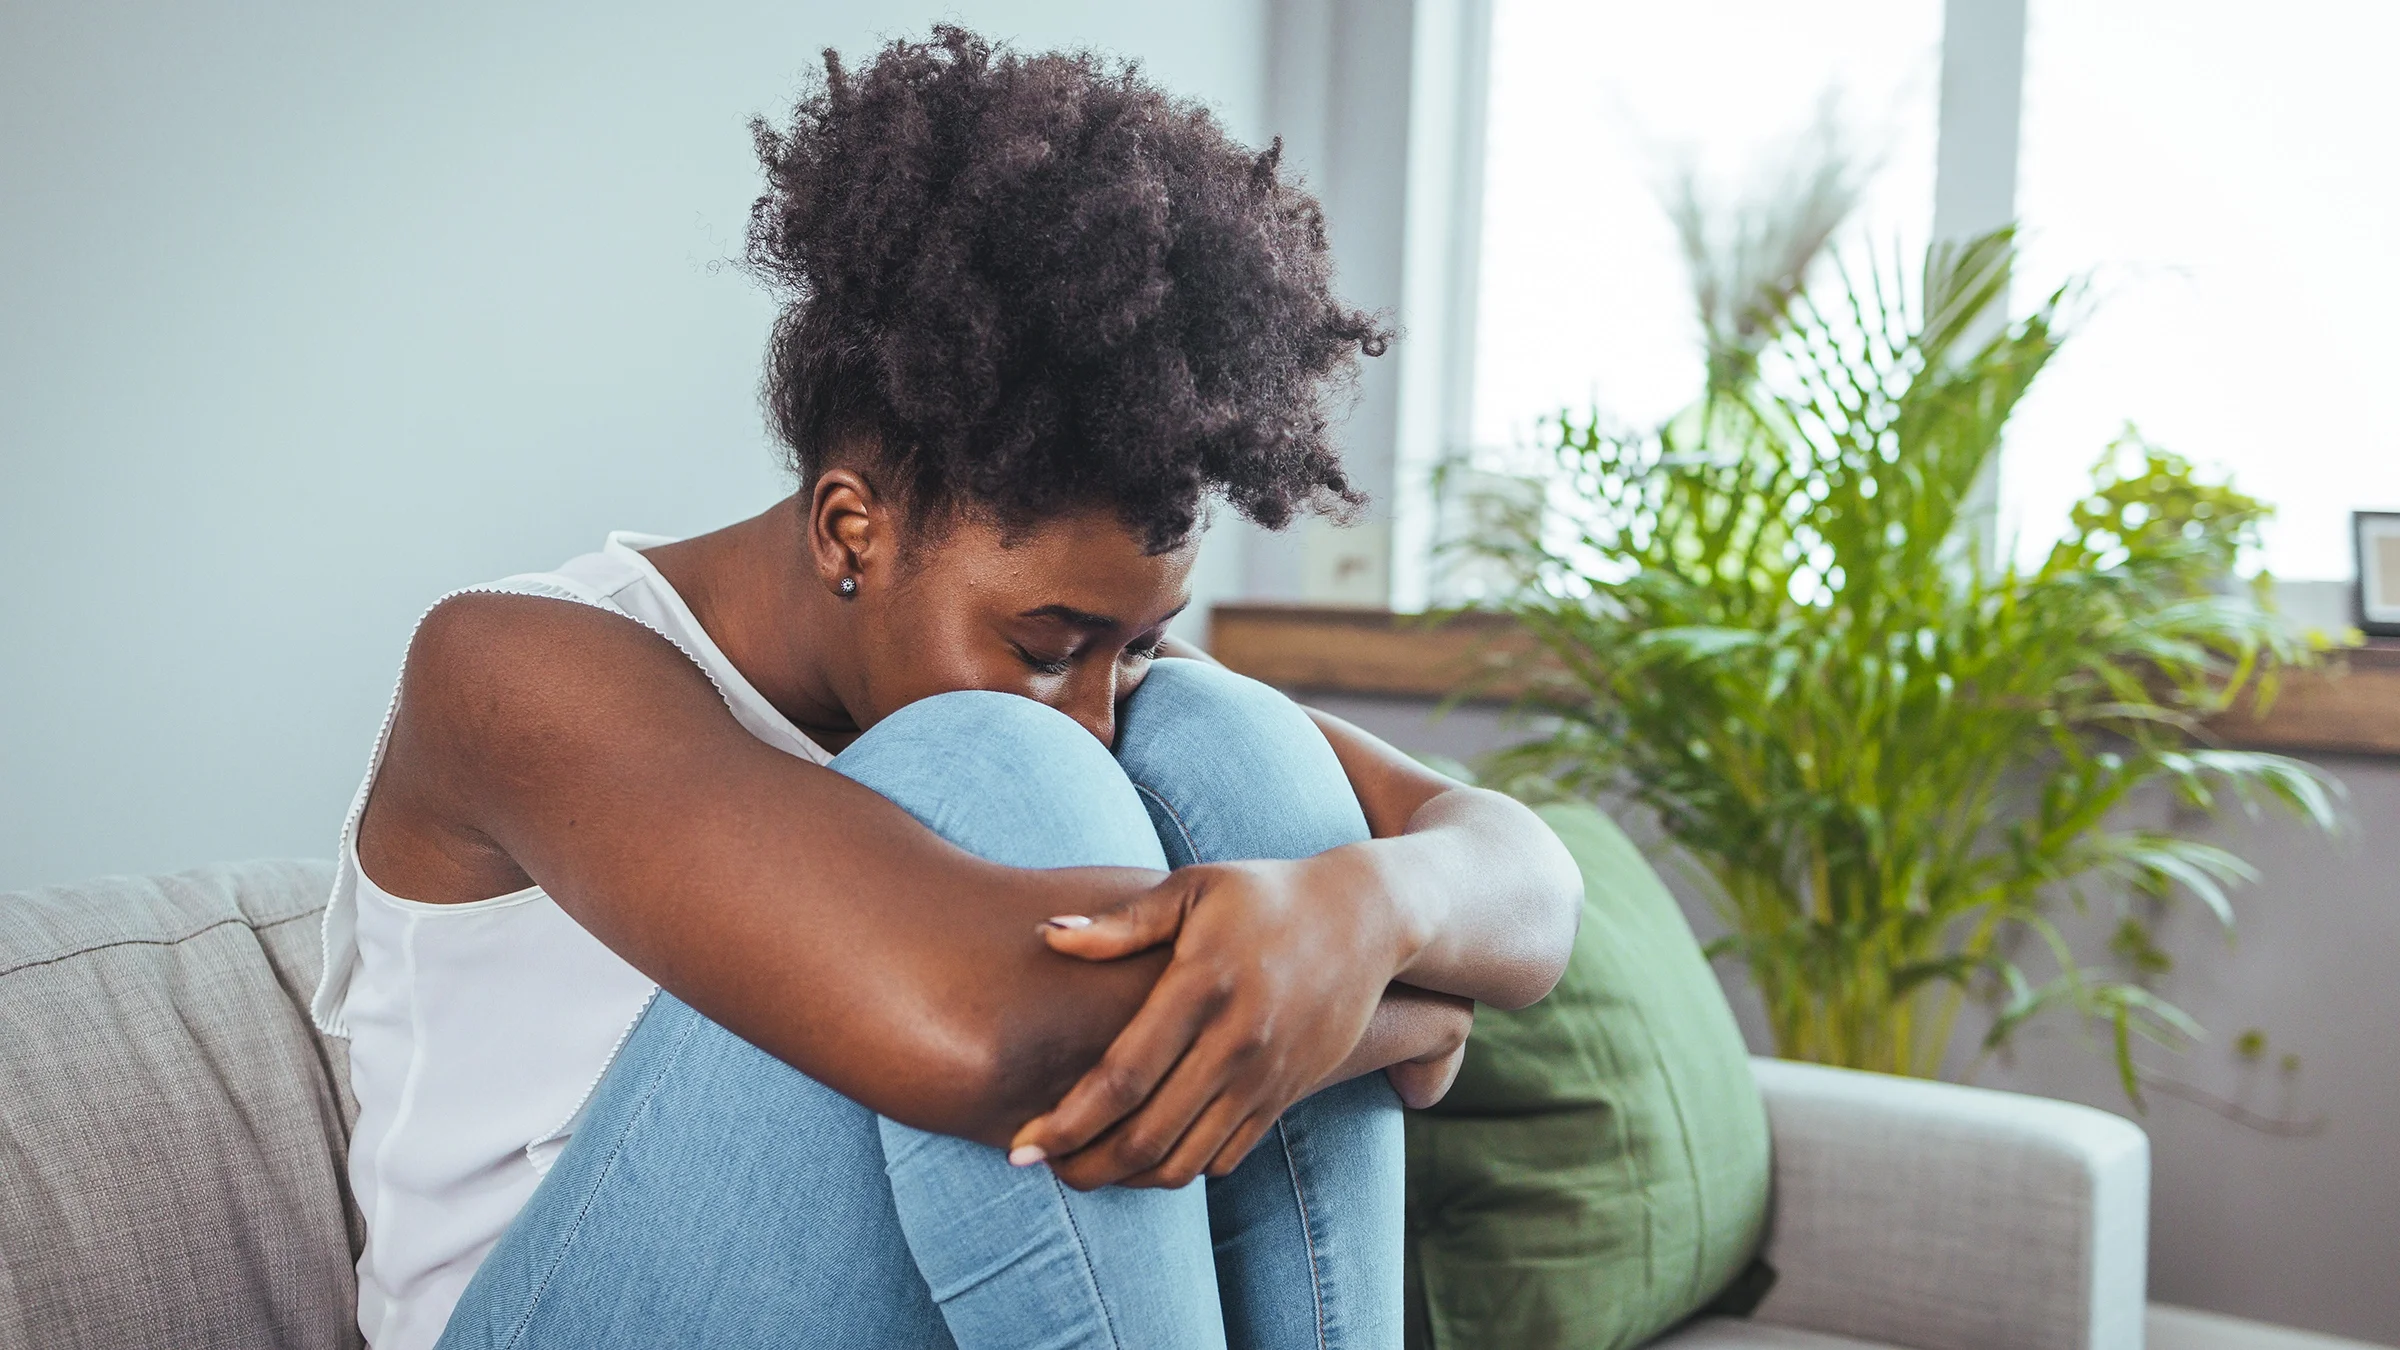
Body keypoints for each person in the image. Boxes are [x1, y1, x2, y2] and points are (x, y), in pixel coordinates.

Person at [312, 26, 1582, 1350]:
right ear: (848, 528)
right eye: (1047, 645)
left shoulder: (1087, 663)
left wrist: (1370, 904)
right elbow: (985, 1031)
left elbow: (1527, 879)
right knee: (999, 774)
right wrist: (1396, 1004)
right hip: (550, 1314)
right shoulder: (512, 668)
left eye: (1133, 642)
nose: (1095, 706)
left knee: (1237, 744)